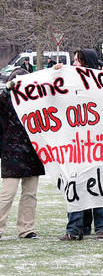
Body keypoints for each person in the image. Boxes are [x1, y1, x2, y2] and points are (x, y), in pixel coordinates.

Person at [57, 49, 103, 241]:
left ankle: (102, 227)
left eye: (78, 61)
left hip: (98, 144)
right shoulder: (69, 83)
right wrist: (55, 73)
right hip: (75, 144)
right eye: (73, 61)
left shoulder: (102, 82)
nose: (74, 65)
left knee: (99, 184)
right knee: (75, 185)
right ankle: (74, 228)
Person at [0, 68, 45, 239]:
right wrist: (7, 90)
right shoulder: (6, 101)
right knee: (7, 193)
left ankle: (26, 228)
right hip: (12, 152)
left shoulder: (36, 101)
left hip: (32, 152)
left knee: (30, 194)